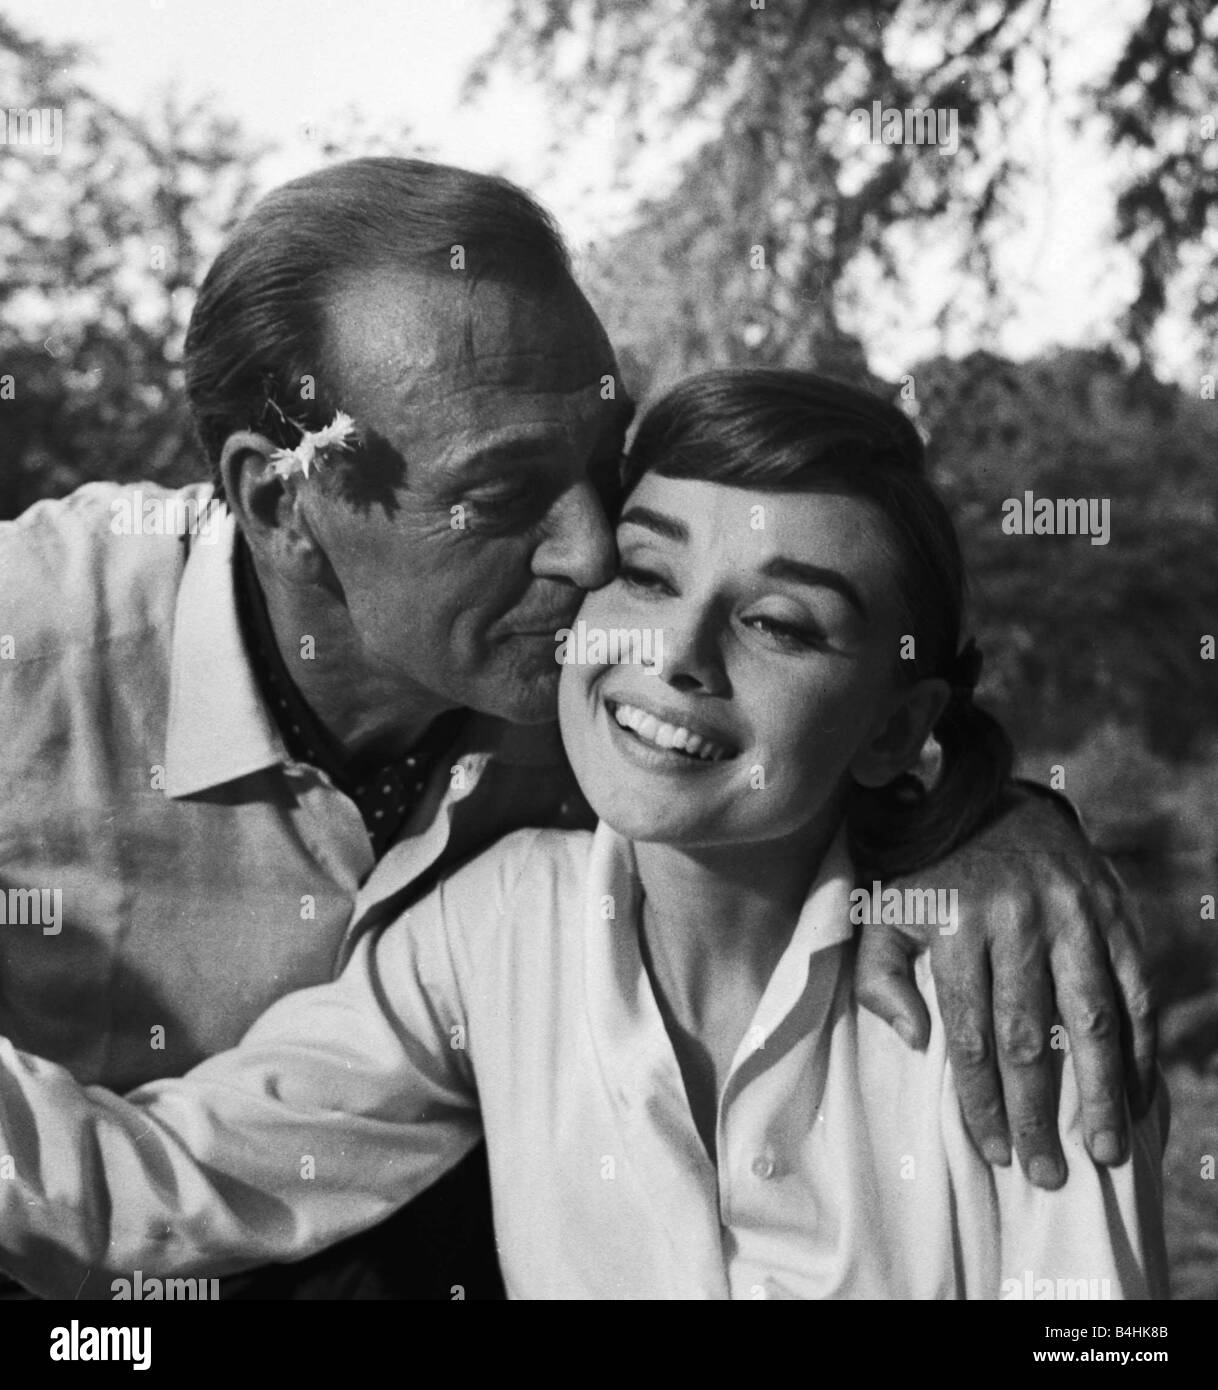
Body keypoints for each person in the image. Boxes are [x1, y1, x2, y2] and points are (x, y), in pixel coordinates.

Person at [0, 159, 1156, 1298]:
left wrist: (1002, 820)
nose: (596, 557)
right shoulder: (35, 643)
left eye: (604, 475)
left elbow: (849, 695)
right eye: (502, 496)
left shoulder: (593, 675)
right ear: (281, 503)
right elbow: (156, 1181)